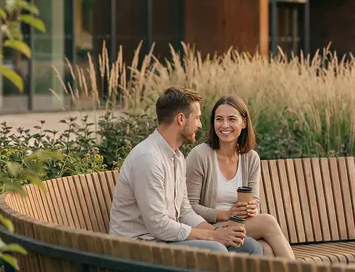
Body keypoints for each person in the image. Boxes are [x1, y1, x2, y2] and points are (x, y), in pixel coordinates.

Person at [109, 87, 263, 255]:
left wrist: (217, 232)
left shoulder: (177, 157)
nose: (200, 124)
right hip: (140, 246)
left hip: (165, 240)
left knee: (250, 246)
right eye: (197, 118)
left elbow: (185, 211)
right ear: (181, 119)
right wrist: (211, 236)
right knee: (217, 249)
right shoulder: (149, 159)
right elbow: (158, 225)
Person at [186, 95, 295, 259]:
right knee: (268, 222)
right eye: (219, 119)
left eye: (231, 119)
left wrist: (252, 208)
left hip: (242, 224)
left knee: (266, 250)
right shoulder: (200, 155)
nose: (225, 125)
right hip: (209, 227)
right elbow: (189, 206)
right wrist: (226, 214)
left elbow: (255, 200)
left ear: (244, 122)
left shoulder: (251, 158)